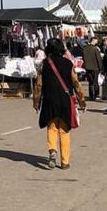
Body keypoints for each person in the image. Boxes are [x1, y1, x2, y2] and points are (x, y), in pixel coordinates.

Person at [32, 38, 86, 170]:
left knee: (51, 127)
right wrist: (82, 101)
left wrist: (36, 102)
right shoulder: (68, 63)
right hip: (65, 100)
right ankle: (64, 162)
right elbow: (76, 83)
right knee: (64, 130)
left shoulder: (43, 64)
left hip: (50, 99)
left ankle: (52, 151)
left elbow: (38, 85)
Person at [82, 37, 103, 101]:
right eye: (96, 41)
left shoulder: (85, 48)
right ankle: (96, 94)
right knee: (95, 81)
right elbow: (98, 59)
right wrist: (100, 67)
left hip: (88, 67)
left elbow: (83, 57)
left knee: (90, 82)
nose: (96, 42)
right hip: (95, 67)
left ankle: (91, 95)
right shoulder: (95, 49)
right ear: (93, 40)